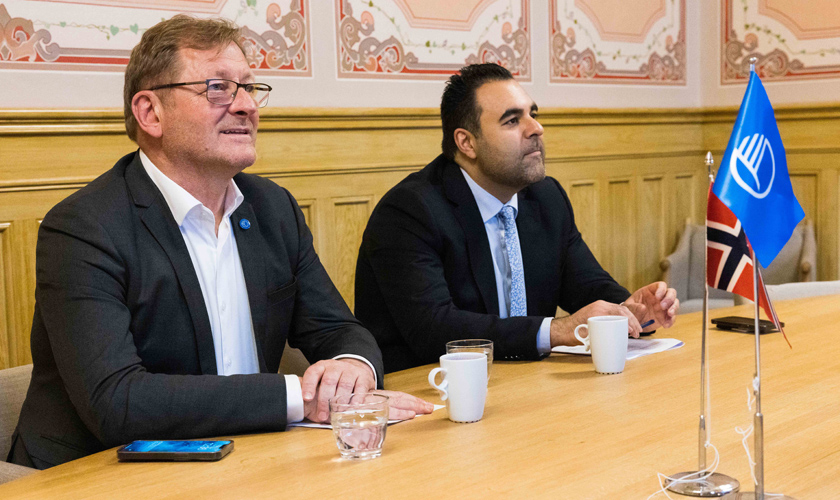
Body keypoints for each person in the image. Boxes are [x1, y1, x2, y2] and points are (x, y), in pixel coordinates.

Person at [9, 15, 431, 470]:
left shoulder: (272, 208)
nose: (247, 105)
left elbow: (337, 330)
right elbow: (118, 401)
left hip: (248, 461)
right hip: (97, 473)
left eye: (250, 88)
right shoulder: (84, 227)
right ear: (151, 113)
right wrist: (300, 397)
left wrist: (353, 369)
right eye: (218, 87)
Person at [355, 63, 680, 373]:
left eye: (533, 114)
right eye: (512, 121)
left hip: (526, 386)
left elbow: (586, 285)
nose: (536, 128)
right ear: (466, 142)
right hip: (430, 393)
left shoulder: (545, 197)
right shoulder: (410, 211)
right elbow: (435, 329)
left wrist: (630, 308)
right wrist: (556, 331)